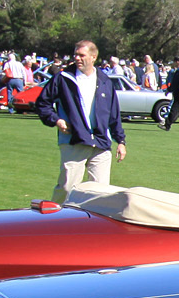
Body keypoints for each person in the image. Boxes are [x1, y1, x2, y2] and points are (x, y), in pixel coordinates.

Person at [35, 40, 127, 195]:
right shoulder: (63, 78)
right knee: (66, 189)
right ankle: (57, 218)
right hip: (74, 140)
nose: (77, 58)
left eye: (81, 55)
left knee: (100, 193)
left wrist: (121, 141)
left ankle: (92, 220)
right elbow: (42, 103)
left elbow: (113, 114)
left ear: (93, 57)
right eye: (75, 54)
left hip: (101, 143)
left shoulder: (105, 81)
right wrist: (56, 120)